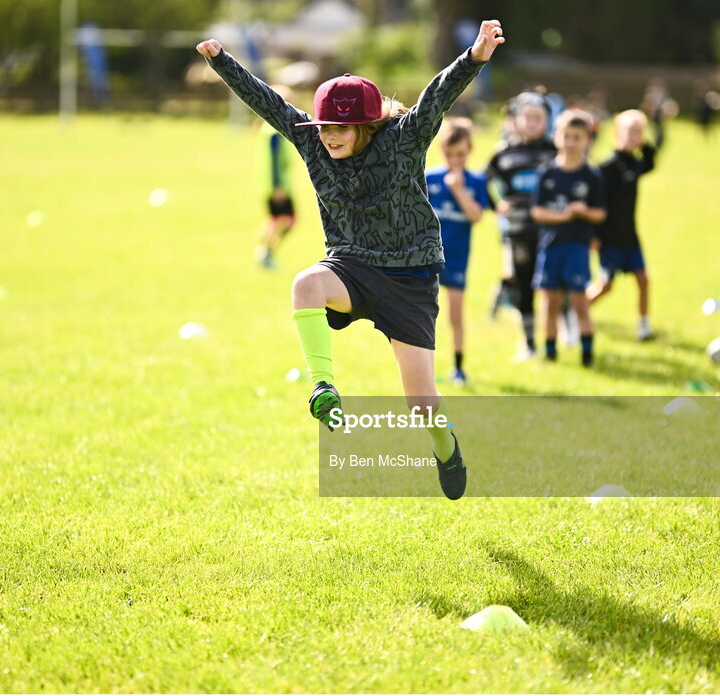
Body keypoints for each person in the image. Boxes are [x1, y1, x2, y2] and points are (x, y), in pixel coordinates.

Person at [197, 20, 505, 500]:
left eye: (340, 128)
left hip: (409, 275)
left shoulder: (404, 139)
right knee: (305, 284)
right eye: (323, 127)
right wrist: (222, 62)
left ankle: (447, 447)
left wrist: (476, 55)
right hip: (351, 266)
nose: (329, 137)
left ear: (366, 125)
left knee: (422, 405)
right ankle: (323, 388)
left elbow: (437, 97)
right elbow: (268, 102)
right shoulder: (311, 145)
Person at [530, 109, 606, 366]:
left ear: (587, 140)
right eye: (567, 136)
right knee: (550, 302)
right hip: (551, 246)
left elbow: (600, 214)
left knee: (579, 302)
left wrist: (584, 212)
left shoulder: (591, 175)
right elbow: (538, 211)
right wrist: (564, 216)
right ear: (557, 137)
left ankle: (587, 355)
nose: (572, 142)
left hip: (577, 248)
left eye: (578, 137)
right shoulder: (547, 174)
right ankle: (550, 354)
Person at [486, 91, 558, 360]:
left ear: (547, 121)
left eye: (538, 118)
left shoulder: (555, 150)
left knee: (554, 284)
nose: (531, 123)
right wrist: (496, 206)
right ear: (516, 120)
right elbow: (481, 181)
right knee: (523, 285)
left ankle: (561, 332)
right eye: (527, 117)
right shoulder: (504, 152)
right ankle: (528, 343)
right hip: (518, 231)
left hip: (552, 231)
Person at [425, 117, 492, 386]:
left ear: (470, 151)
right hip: (427, 257)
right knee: (424, 314)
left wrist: (459, 190)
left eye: (461, 154)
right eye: (450, 154)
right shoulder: (429, 178)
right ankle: (424, 369)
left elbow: (476, 216)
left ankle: (459, 367)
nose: (455, 160)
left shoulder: (476, 181)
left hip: (457, 259)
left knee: (455, 314)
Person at [588, 110, 656, 341]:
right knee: (606, 285)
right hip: (609, 237)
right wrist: (595, 236)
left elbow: (651, 163)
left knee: (644, 280)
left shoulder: (634, 164)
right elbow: (597, 202)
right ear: (617, 134)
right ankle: (577, 312)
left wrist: (644, 145)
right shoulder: (606, 167)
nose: (634, 136)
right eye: (630, 132)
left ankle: (644, 326)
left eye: (639, 132)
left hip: (630, 235)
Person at [255, 85, 298, 269]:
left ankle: (264, 251)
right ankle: (265, 251)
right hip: (277, 186)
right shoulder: (274, 132)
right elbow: (273, 161)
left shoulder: (270, 128)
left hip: (273, 185)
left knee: (276, 219)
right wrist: (277, 186)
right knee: (288, 221)